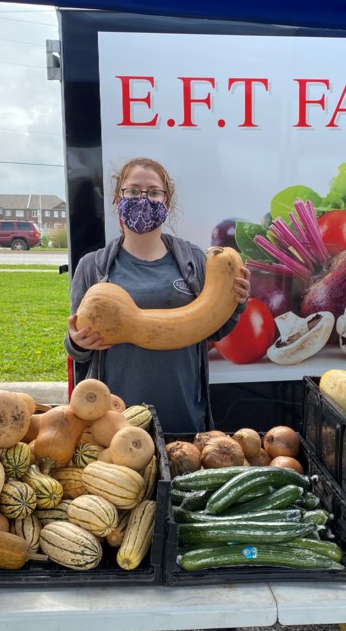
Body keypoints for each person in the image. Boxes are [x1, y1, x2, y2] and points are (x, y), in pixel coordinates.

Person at [64, 156, 251, 436]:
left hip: (183, 410)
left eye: (153, 192)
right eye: (133, 191)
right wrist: (77, 342)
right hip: (115, 416)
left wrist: (236, 302)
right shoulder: (93, 266)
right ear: (117, 199)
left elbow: (215, 329)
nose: (144, 199)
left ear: (167, 201)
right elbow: (78, 349)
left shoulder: (196, 261)